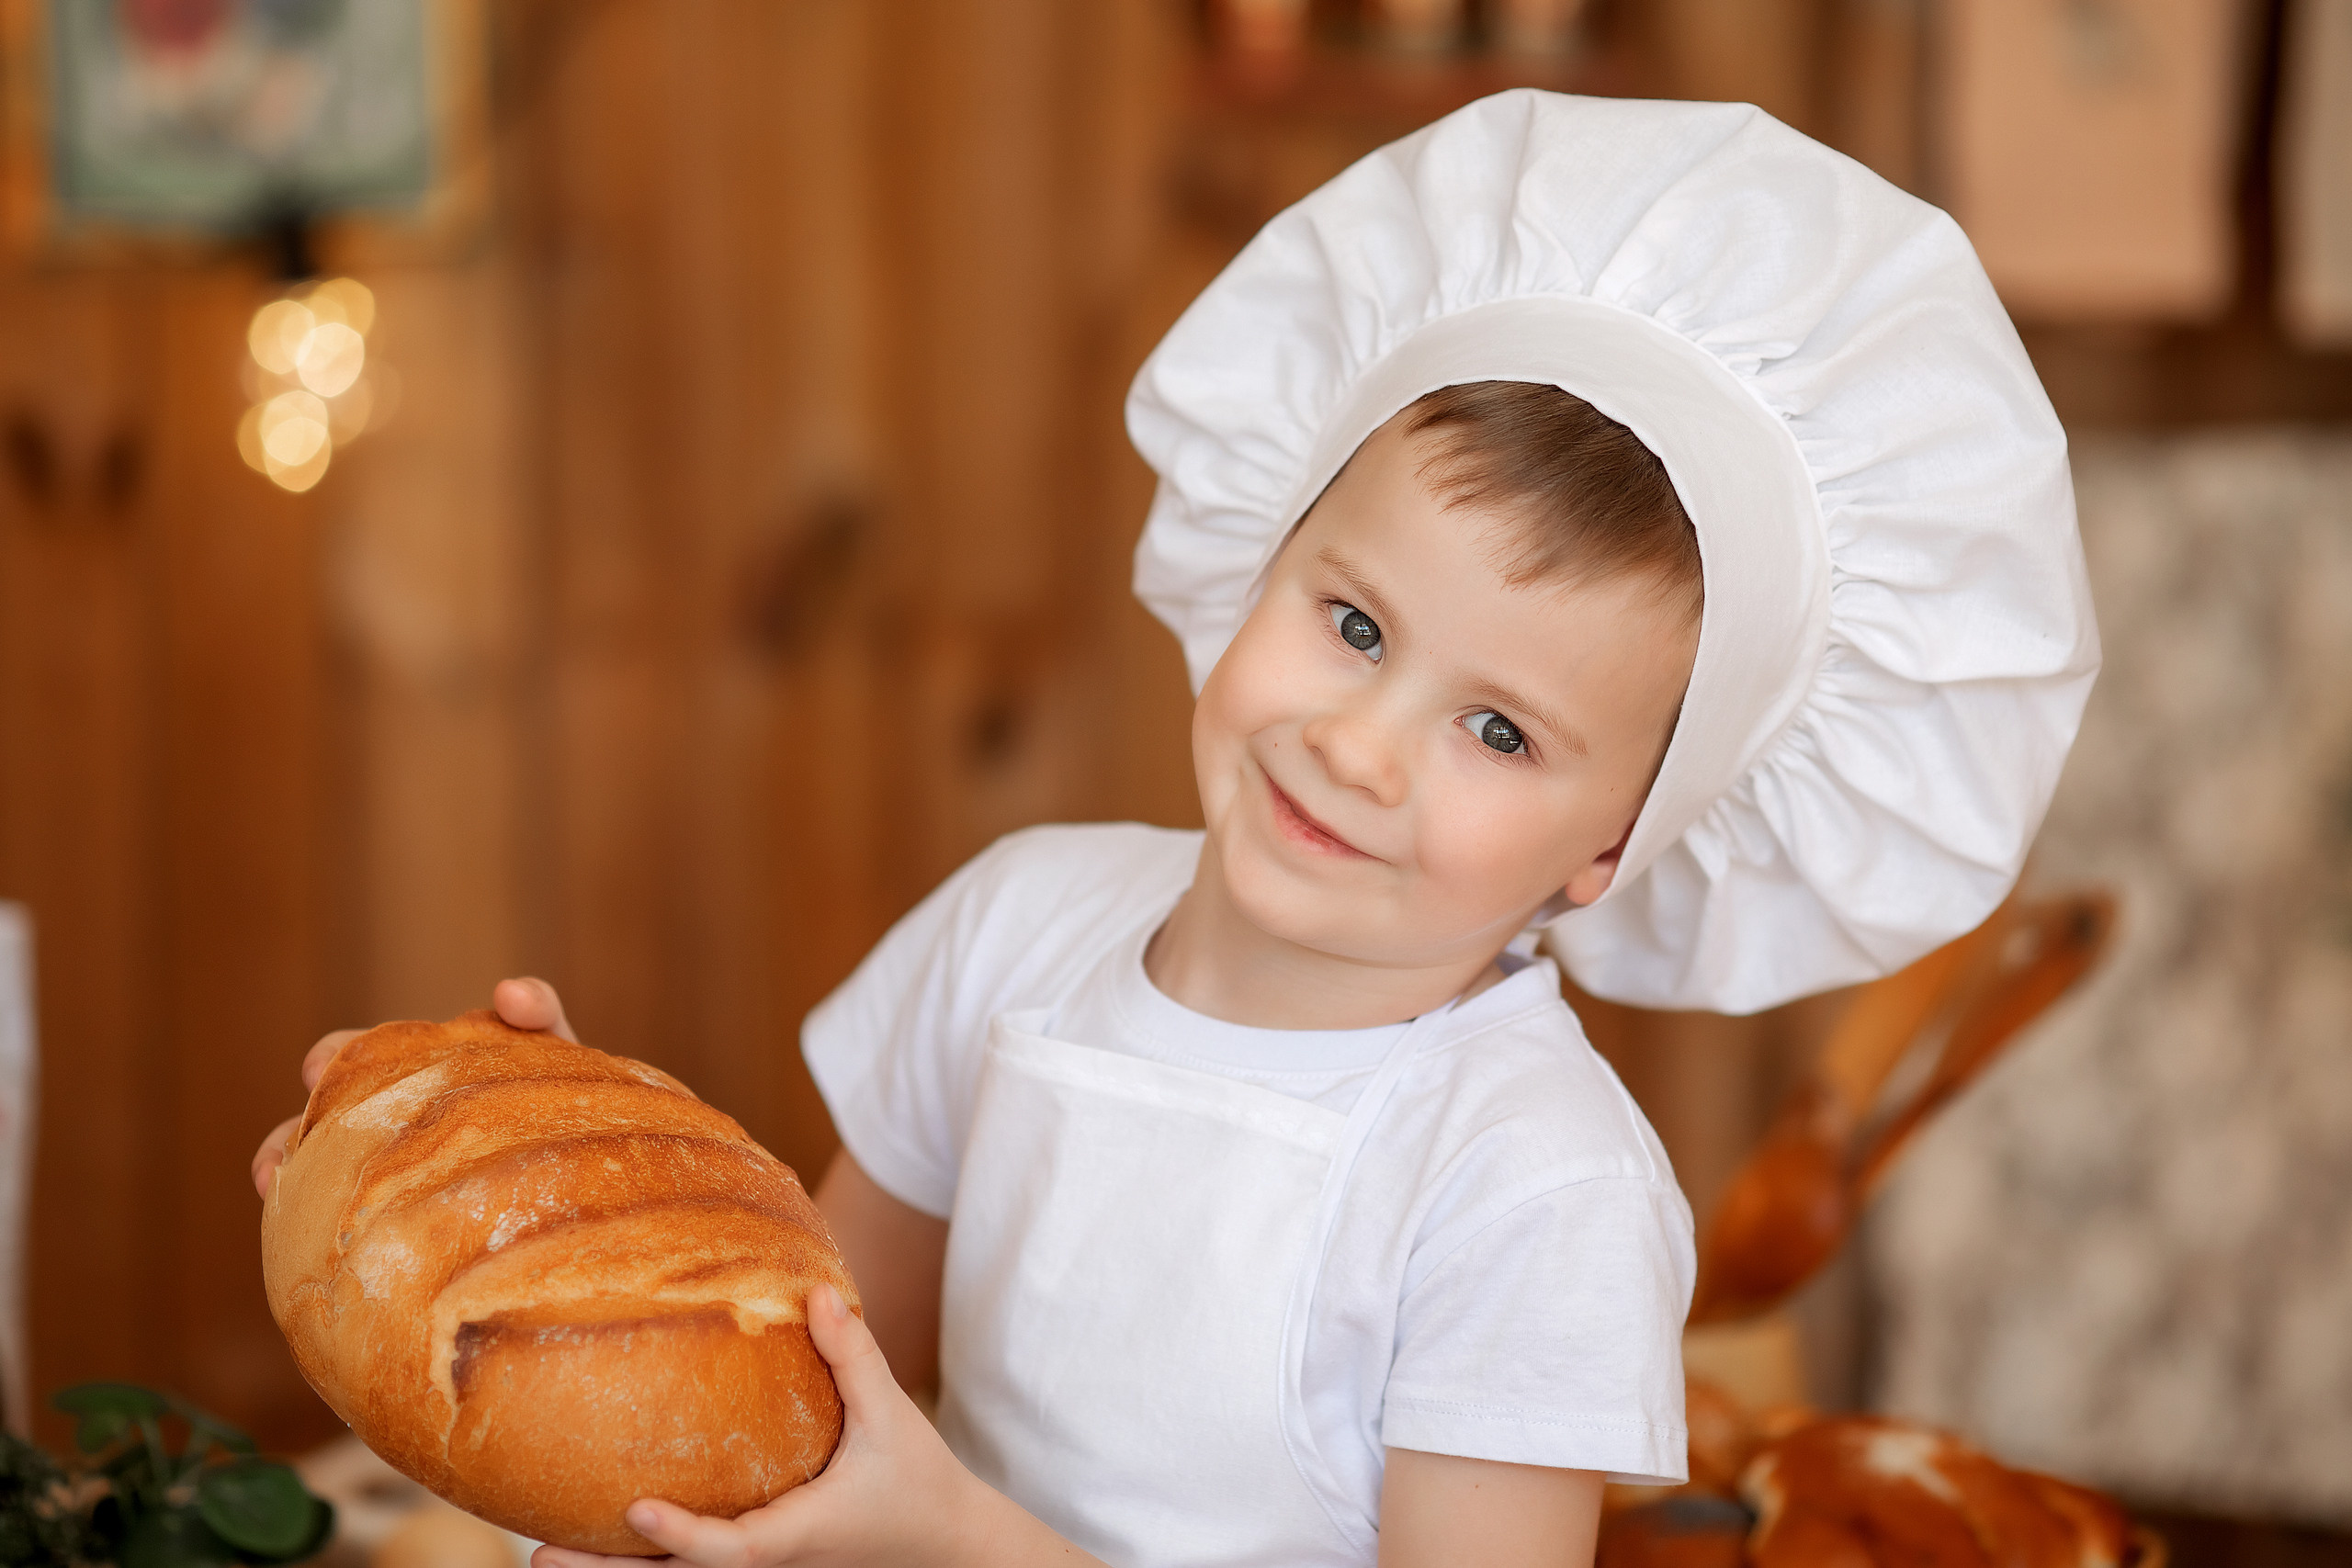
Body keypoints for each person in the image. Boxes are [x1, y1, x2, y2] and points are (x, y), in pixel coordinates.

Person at [254, 91, 2098, 1568]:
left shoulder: (1529, 1186)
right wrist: (569, 1201)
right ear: (1261, 562)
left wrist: (961, 1547)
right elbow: (801, 1386)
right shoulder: (1013, 926)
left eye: (1496, 727)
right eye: (1354, 622)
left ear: (1603, 850)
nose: (1361, 745)